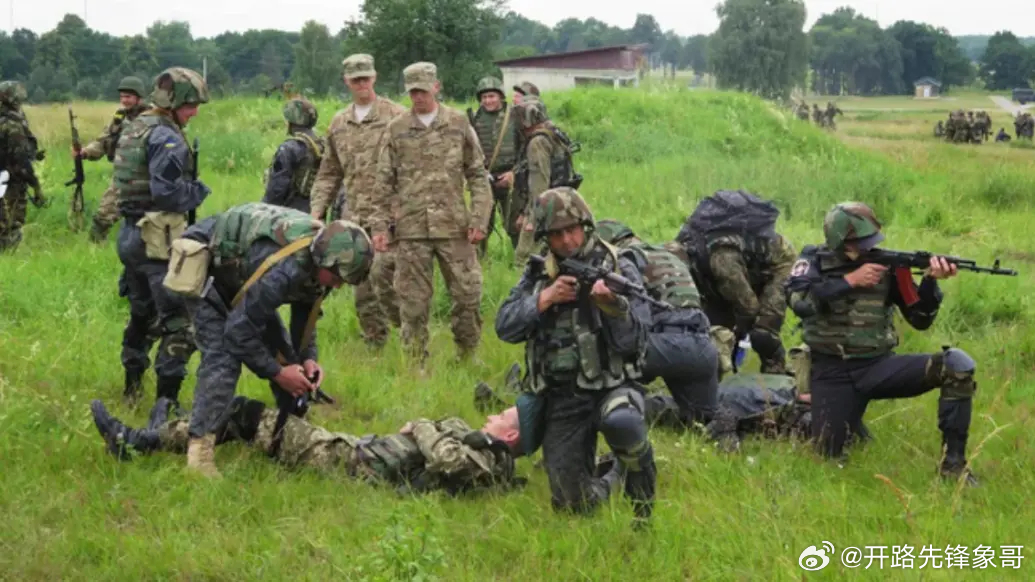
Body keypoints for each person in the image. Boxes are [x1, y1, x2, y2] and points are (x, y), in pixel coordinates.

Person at [162, 202, 374, 477]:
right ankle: (199, 451)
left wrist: (308, 359)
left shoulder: (323, 265)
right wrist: (277, 373)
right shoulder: (285, 269)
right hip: (207, 264)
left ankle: (286, 433)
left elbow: (306, 315)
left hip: (245, 280)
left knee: (286, 354)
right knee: (223, 358)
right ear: (324, 261)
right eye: (336, 278)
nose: (338, 285)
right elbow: (237, 333)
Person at [495, 187, 656, 526]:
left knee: (622, 422)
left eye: (573, 230)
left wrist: (613, 307)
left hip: (613, 385)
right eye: (557, 234)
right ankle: (616, 474)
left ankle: (643, 504)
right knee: (571, 504)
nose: (567, 240)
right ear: (545, 237)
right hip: (563, 397)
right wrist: (545, 299)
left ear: (586, 226)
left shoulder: (616, 264)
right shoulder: (541, 272)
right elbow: (505, 326)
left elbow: (638, 338)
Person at [785, 202, 978, 485]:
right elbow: (800, 303)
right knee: (827, 456)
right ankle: (837, 419)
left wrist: (929, 283)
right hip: (830, 372)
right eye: (856, 244)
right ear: (837, 239)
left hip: (877, 367)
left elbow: (920, 320)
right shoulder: (812, 261)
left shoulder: (889, 267)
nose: (864, 250)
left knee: (956, 365)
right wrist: (850, 281)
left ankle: (953, 467)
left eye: (868, 243)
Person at [89, 394, 526, 495]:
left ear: (510, 435)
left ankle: (138, 441)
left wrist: (427, 426)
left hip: (342, 458)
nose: (491, 416)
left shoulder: (484, 458)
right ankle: (167, 431)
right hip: (353, 452)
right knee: (250, 419)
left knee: (245, 416)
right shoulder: (490, 455)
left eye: (501, 416)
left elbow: (446, 460)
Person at [371, 61, 492, 364]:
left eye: (423, 90)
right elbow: (383, 181)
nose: (418, 97)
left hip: (454, 228)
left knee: (467, 294)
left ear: (436, 87)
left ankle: (468, 355)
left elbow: (477, 174)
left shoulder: (458, 124)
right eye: (413, 92)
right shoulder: (396, 129)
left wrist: (479, 218)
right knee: (412, 303)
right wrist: (380, 227)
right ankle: (416, 363)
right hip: (412, 231)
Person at [110, 67, 210, 405]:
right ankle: (166, 405)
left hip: (130, 236)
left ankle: (132, 389)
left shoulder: (134, 126)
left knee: (142, 315)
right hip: (157, 243)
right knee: (179, 323)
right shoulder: (166, 136)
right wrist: (197, 192)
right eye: (191, 104)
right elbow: (167, 193)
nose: (195, 112)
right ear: (175, 101)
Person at [309, 54, 407, 349]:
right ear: (347, 82)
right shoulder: (340, 123)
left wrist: (404, 209)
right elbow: (329, 172)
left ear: (374, 77)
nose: (362, 84)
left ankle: (411, 337)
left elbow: (415, 168)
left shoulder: (397, 117)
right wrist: (316, 213)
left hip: (391, 217)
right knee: (361, 286)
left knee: (387, 280)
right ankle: (375, 344)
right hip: (355, 217)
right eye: (356, 80)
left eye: (366, 78)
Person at [595, 219, 719, 425]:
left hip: (661, 344)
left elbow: (627, 319)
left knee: (603, 388)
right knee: (702, 419)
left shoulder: (624, 260)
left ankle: (632, 407)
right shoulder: (670, 255)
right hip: (703, 347)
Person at [674, 190, 796, 377]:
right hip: (728, 275)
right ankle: (712, 387)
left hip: (778, 266)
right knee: (713, 333)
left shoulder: (723, 261)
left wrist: (740, 332)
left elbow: (748, 307)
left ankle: (776, 379)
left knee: (763, 332)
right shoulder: (685, 248)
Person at [75, 76, 150, 242]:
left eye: (128, 97)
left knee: (149, 219)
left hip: (147, 176)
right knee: (104, 214)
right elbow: (104, 140)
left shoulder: (152, 118)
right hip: (123, 176)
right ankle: (93, 252)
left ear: (139, 97)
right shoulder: (120, 117)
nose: (124, 101)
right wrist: (85, 152)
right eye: (122, 96)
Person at [511, 97, 580, 267]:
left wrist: (531, 218)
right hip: (561, 201)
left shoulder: (537, 142)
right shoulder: (553, 133)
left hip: (545, 205)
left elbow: (538, 184)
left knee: (524, 257)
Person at [468, 76, 521, 255]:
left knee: (514, 224)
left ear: (500, 96)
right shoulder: (474, 119)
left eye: (491, 96)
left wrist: (514, 173)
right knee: (480, 224)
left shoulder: (514, 116)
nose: (488, 100)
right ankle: (479, 262)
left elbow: (524, 149)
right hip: (484, 179)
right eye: (484, 97)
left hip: (510, 178)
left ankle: (522, 261)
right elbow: (469, 151)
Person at [0, 80, 47, 252]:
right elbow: (20, 162)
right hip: (11, 182)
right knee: (12, 223)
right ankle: (8, 259)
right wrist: (36, 186)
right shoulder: (12, 125)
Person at [262, 97, 325, 213]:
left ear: (291, 122)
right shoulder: (322, 145)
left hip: (290, 216)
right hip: (316, 214)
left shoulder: (289, 148)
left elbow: (277, 188)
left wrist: (263, 210)